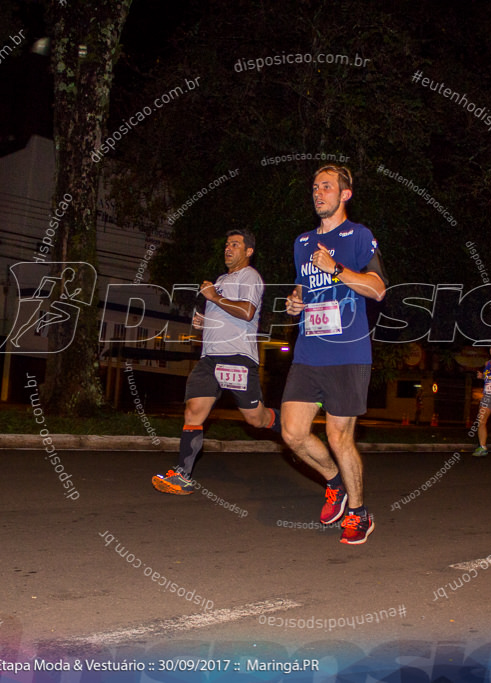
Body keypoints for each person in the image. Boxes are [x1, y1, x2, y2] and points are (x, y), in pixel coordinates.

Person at [282, 165, 387, 545]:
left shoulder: (359, 236)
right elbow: (303, 286)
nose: (318, 192)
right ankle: (334, 483)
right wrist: (296, 301)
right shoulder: (303, 242)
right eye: (315, 187)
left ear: (345, 194)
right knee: (292, 433)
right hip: (309, 351)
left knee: (338, 436)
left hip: (348, 353)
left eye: (327, 186)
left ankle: (359, 513)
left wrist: (337, 269)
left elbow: (377, 289)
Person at [151, 230, 280, 495]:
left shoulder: (250, 277)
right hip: (209, 358)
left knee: (256, 419)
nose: (228, 248)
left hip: (237, 357)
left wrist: (213, 297)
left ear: (248, 251)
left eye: (235, 244)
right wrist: (204, 321)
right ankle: (182, 476)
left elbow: (247, 312)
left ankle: (288, 426)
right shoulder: (221, 280)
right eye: (226, 244)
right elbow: (222, 315)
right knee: (194, 411)